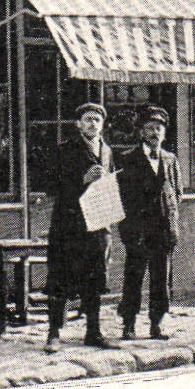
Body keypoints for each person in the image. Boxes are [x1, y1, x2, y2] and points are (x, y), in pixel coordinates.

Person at [44, 103, 116, 352]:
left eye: (97, 119)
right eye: (87, 119)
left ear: (102, 124)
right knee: (60, 278)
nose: (92, 124)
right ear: (78, 124)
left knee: (95, 278)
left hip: (97, 223)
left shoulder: (106, 151)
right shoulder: (65, 149)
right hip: (69, 223)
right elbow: (50, 184)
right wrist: (81, 180)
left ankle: (93, 332)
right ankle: (53, 333)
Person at [116, 105, 181, 341]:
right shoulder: (128, 158)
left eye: (159, 129)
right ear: (142, 132)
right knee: (134, 276)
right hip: (138, 230)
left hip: (163, 229)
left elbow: (177, 193)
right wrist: (129, 229)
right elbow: (122, 197)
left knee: (161, 277)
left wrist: (172, 224)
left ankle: (157, 323)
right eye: (150, 128)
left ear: (164, 133)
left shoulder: (171, 159)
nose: (155, 133)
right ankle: (129, 323)